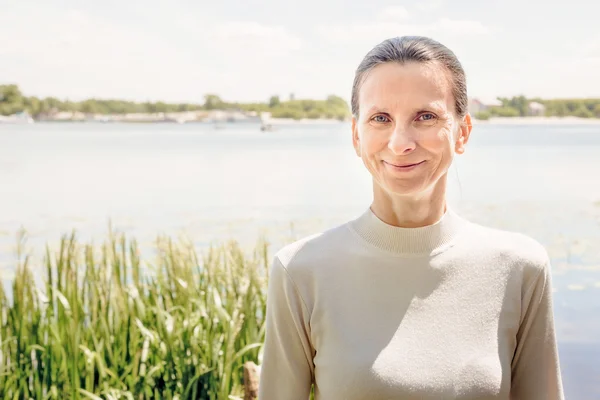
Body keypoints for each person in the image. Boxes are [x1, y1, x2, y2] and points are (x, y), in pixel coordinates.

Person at [258, 36, 564, 400]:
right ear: (356, 135)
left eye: (426, 116)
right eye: (381, 118)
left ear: (462, 132)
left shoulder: (520, 268)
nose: (400, 142)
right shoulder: (300, 271)